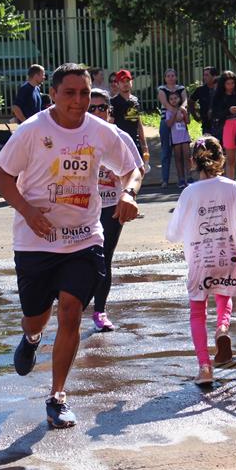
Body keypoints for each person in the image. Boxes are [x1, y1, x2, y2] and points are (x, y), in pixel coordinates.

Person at [0, 63, 142, 428]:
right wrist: (27, 211)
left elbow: (133, 167)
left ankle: (57, 396)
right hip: (36, 240)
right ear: (54, 95)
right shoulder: (32, 131)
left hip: (84, 236)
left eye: (85, 93)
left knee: (72, 310)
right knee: (36, 316)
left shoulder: (101, 132)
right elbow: (2, 176)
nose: (78, 101)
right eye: (70, 93)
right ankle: (31, 337)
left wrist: (128, 192)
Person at [165, 136, 236, 385]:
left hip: (199, 260)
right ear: (221, 158)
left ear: (193, 161)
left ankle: (205, 368)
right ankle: (222, 330)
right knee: (224, 298)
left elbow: (172, 234)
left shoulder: (189, 193)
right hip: (228, 256)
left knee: (197, 312)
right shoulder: (232, 187)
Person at [88, 88, 145, 332]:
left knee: (103, 258)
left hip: (111, 205)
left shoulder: (120, 136)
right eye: (92, 108)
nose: (97, 112)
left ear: (110, 111)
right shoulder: (75, 136)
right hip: (81, 207)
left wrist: (127, 193)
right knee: (79, 259)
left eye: (102, 107)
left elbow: (138, 170)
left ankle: (99, 311)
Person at [110, 70, 149, 166]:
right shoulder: (113, 102)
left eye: (127, 81)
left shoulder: (135, 100)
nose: (125, 84)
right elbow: (110, 124)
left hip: (135, 143)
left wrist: (144, 145)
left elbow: (138, 124)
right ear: (117, 84)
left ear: (131, 82)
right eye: (122, 81)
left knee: (139, 172)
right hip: (120, 144)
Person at [157, 68, 188, 188]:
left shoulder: (181, 88)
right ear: (165, 78)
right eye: (168, 76)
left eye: (172, 75)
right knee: (166, 150)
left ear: (176, 77)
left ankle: (185, 178)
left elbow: (184, 101)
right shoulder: (162, 89)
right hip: (167, 120)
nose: (170, 77)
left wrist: (182, 111)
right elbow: (166, 104)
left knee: (182, 152)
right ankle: (165, 179)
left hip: (181, 122)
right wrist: (177, 114)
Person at [166, 90, 192, 187]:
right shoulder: (169, 112)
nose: (173, 100)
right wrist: (174, 114)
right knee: (178, 158)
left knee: (187, 157)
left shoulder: (183, 109)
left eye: (175, 98)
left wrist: (184, 112)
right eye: (171, 99)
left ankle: (189, 177)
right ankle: (181, 178)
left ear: (179, 99)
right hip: (175, 139)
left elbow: (188, 122)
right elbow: (169, 124)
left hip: (184, 137)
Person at [189, 66, 219, 136]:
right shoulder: (200, 90)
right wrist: (195, 115)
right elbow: (190, 101)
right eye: (204, 75)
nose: (204, 77)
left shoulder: (222, 89)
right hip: (206, 124)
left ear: (214, 76)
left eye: (207, 75)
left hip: (221, 123)